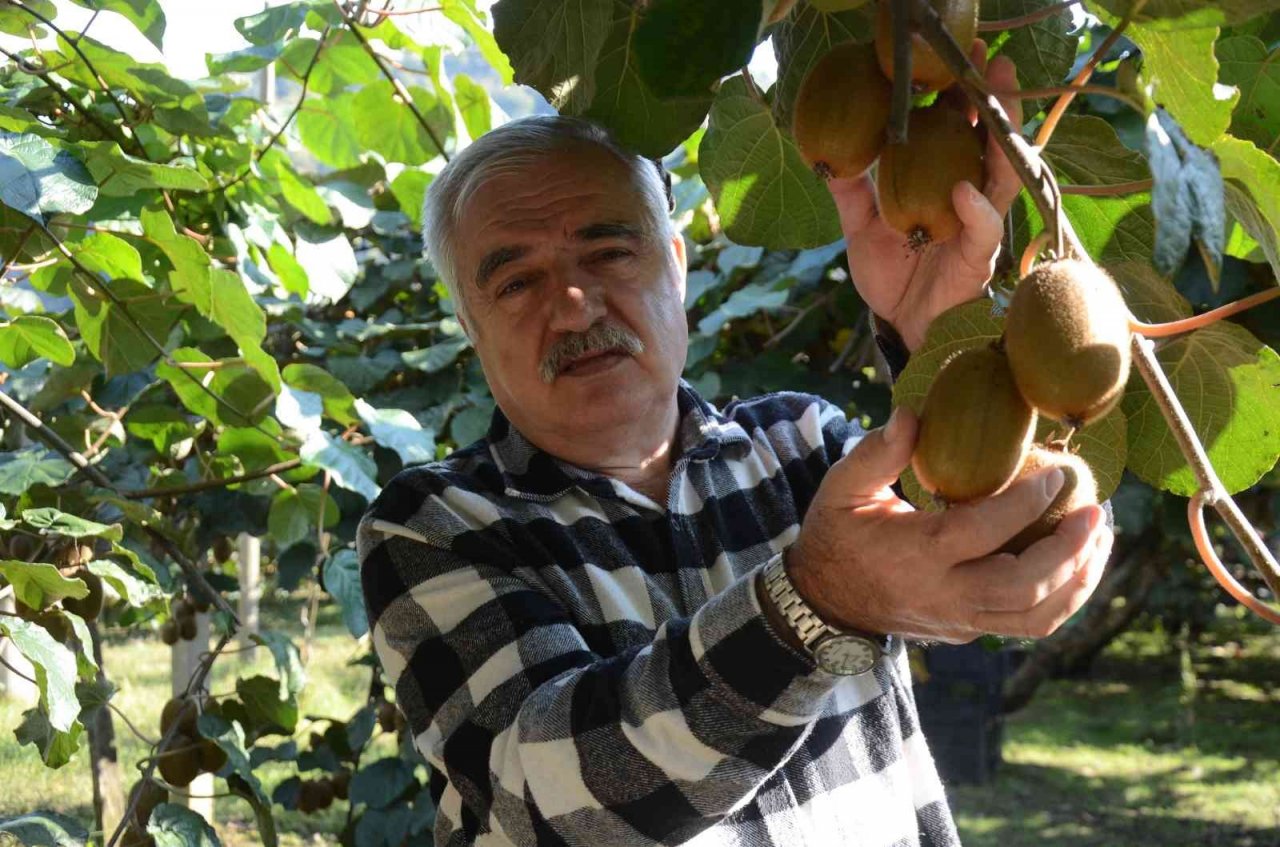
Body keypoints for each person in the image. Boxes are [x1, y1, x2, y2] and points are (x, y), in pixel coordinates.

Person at [356, 50, 1114, 847]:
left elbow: (978, 536)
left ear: (676, 268)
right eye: (515, 282)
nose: (575, 305)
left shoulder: (805, 447)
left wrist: (934, 343)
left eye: (610, 252)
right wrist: (812, 603)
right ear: (472, 331)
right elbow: (551, 800)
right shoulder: (436, 527)